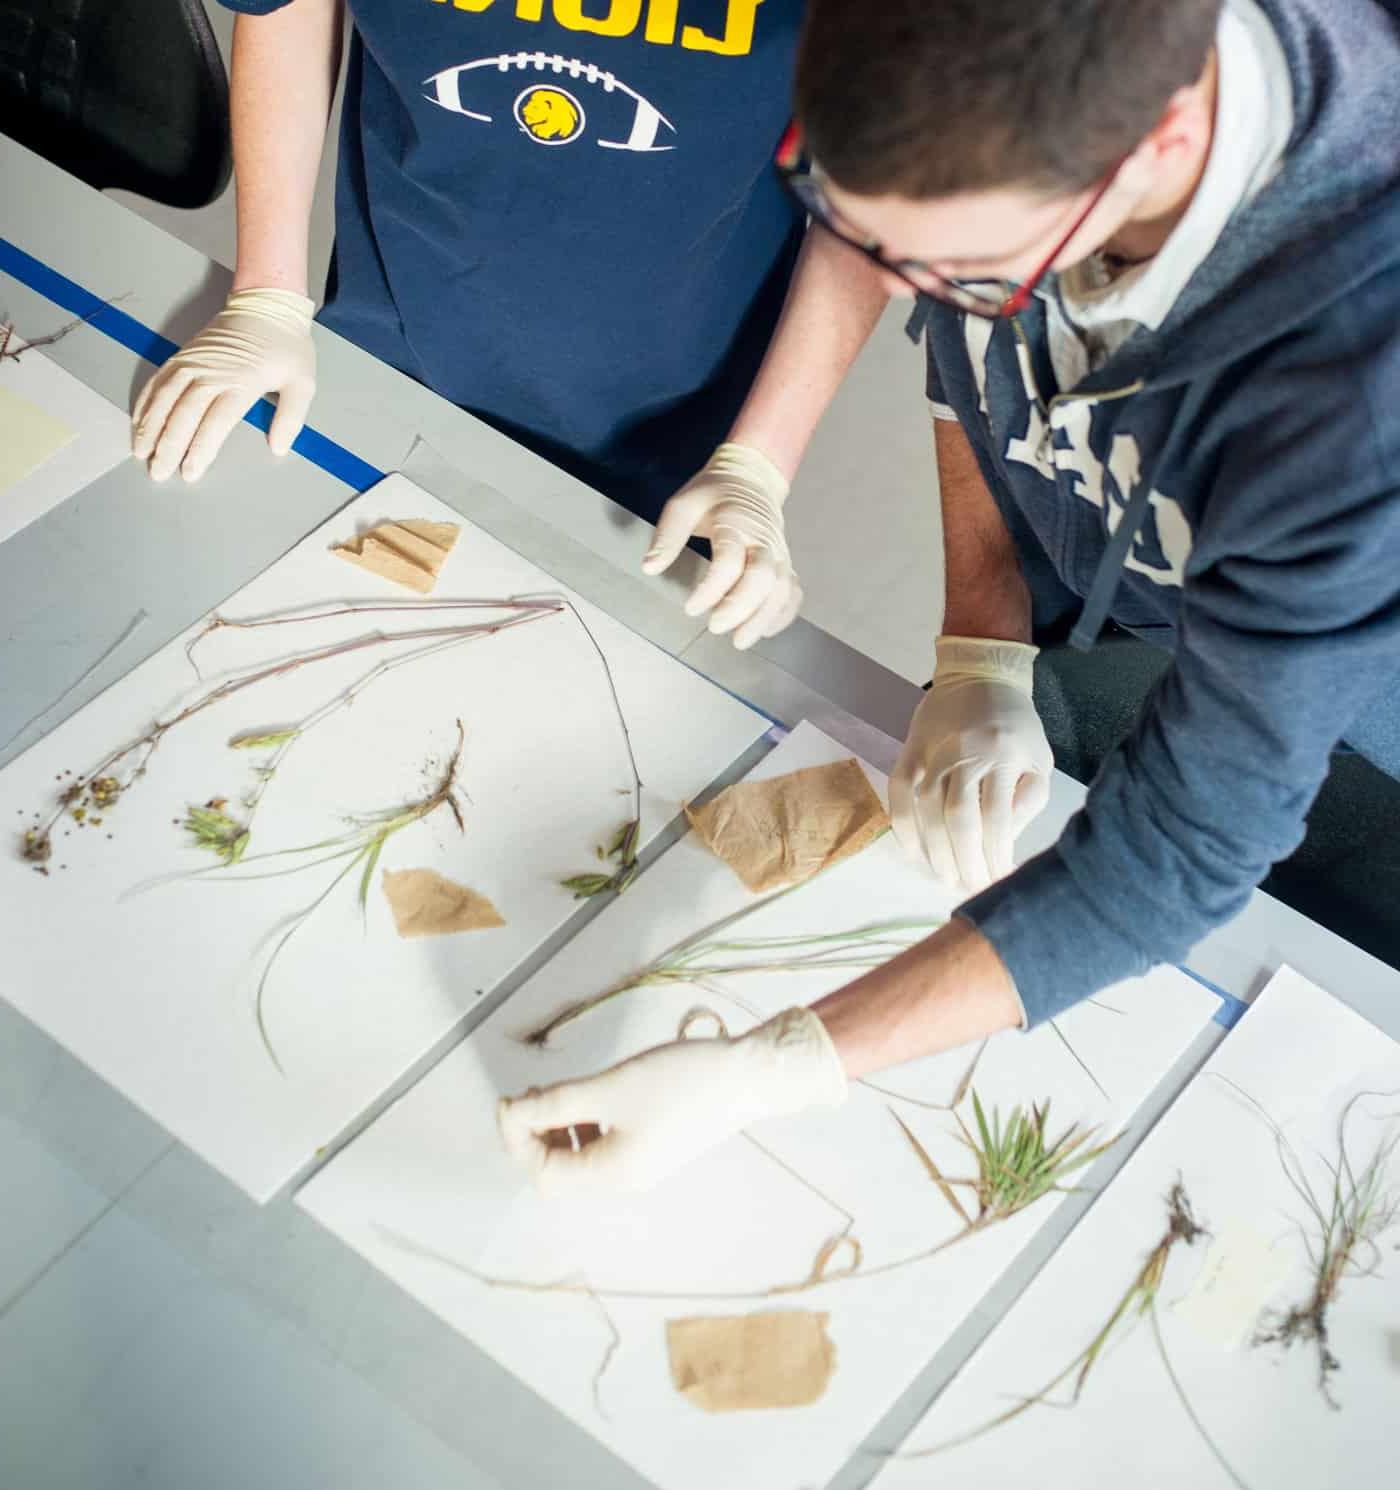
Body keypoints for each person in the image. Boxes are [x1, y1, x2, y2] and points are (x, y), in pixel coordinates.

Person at [498, 0, 1400, 1194]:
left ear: (1163, 148)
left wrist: (765, 1069)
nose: (899, 287)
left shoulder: (1350, 394)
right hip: (1147, 589)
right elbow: (970, 344)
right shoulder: (1012, 133)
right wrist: (981, 639)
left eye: (963, 272)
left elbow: (1179, 854)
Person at [130, 0, 890, 651]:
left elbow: (888, 170)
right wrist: (267, 295)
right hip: (399, 325)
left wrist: (759, 462)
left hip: (674, 408)